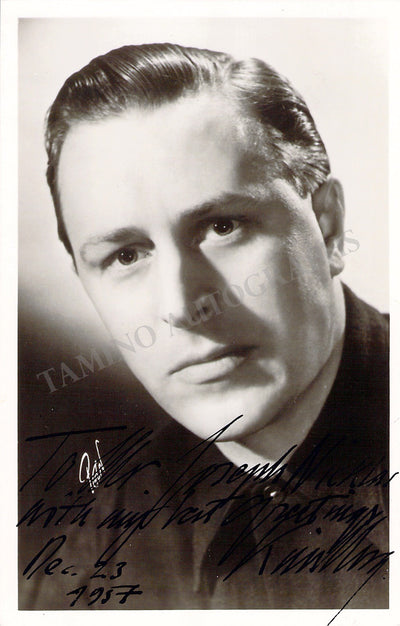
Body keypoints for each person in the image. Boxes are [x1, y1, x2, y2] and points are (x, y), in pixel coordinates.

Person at [19, 43, 390, 611]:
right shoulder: (96, 547)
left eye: (222, 227)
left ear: (328, 227)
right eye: (125, 256)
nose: (181, 305)